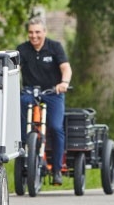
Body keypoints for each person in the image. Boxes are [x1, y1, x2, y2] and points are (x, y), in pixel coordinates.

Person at [17, 17, 73, 185]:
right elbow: (15, 69)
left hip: (52, 92)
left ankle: (56, 170)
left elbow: (66, 68)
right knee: (20, 111)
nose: (34, 36)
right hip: (29, 92)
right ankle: (23, 150)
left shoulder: (55, 47)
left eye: (38, 32)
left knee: (56, 127)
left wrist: (64, 83)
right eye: (31, 32)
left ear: (45, 32)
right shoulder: (22, 49)